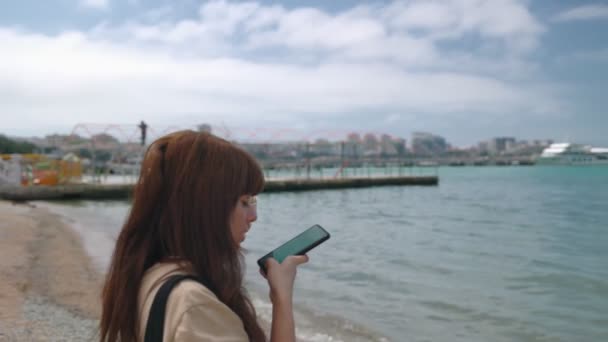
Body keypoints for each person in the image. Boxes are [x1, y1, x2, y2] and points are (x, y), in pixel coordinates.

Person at [99, 130, 308, 342]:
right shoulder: (195, 305)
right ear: (207, 206)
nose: (253, 216)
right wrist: (282, 299)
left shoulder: (151, 272)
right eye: (244, 202)